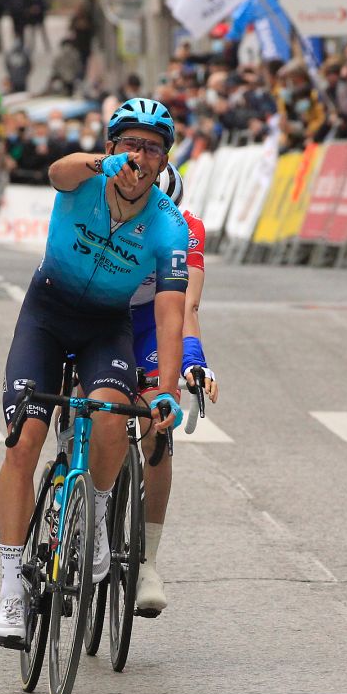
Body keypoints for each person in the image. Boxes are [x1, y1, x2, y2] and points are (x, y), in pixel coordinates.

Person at [0, 98, 188, 642]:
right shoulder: (81, 179)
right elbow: (58, 171)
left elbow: (171, 312)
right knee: (23, 442)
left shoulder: (169, 227)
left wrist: (167, 390)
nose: (140, 156)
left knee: (110, 418)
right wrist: (99, 165)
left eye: (153, 148)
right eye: (131, 144)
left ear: (164, 162)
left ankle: (97, 516)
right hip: (47, 314)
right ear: (111, 148)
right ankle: (11, 590)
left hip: (107, 325)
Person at [125, 165, 218, 615]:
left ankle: (147, 563)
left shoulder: (187, 230)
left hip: (152, 327)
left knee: (157, 428)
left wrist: (195, 361)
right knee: (81, 401)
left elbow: (187, 306)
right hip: (100, 316)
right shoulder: (106, 217)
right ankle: (69, 496)